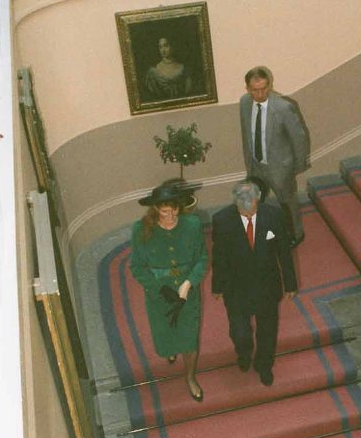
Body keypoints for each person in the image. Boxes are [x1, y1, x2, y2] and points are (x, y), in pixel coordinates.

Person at [212, 179, 297, 386]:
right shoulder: (222, 220)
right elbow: (219, 256)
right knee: (239, 332)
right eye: (243, 212)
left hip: (267, 285)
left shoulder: (274, 215)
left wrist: (290, 283)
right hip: (235, 287)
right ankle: (244, 353)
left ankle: (264, 365)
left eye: (251, 211)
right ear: (236, 203)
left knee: (267, 330)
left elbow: (284, 252)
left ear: (259, 199)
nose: (248, 215)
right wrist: (217, 286)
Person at [129, 180, 207, 401]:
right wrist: (159, 288)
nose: (171, 216)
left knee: (189, 340)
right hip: (159, 297)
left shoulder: (192, 224)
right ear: (155, 209)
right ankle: (171, 350)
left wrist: (188, 282)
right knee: (166, 339)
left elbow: (202, 258)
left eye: (174, 210)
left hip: (187, 296)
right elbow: (136, 266)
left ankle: (190, 377)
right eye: (165, 212)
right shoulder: (141, 230)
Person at [239, 65, 310, 247]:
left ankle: (296, 234)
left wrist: (297, 165)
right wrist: (249, 162)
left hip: (280, 167)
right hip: (255, 165)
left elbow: (299, 138)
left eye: (264, 88)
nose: (261, 93)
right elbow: (246, 132)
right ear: (248, 89)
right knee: (253, 202)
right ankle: (262, 233)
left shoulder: (284, 107)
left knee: (287, 202)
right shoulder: (244, 103)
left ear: (269, 85)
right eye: (255, 90)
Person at [144, 36, 192, 102]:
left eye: (166, 46)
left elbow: (188, 93)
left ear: (173, 46)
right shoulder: (154, 71)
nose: (163, 50)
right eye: (160, 47)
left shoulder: (183, 68)